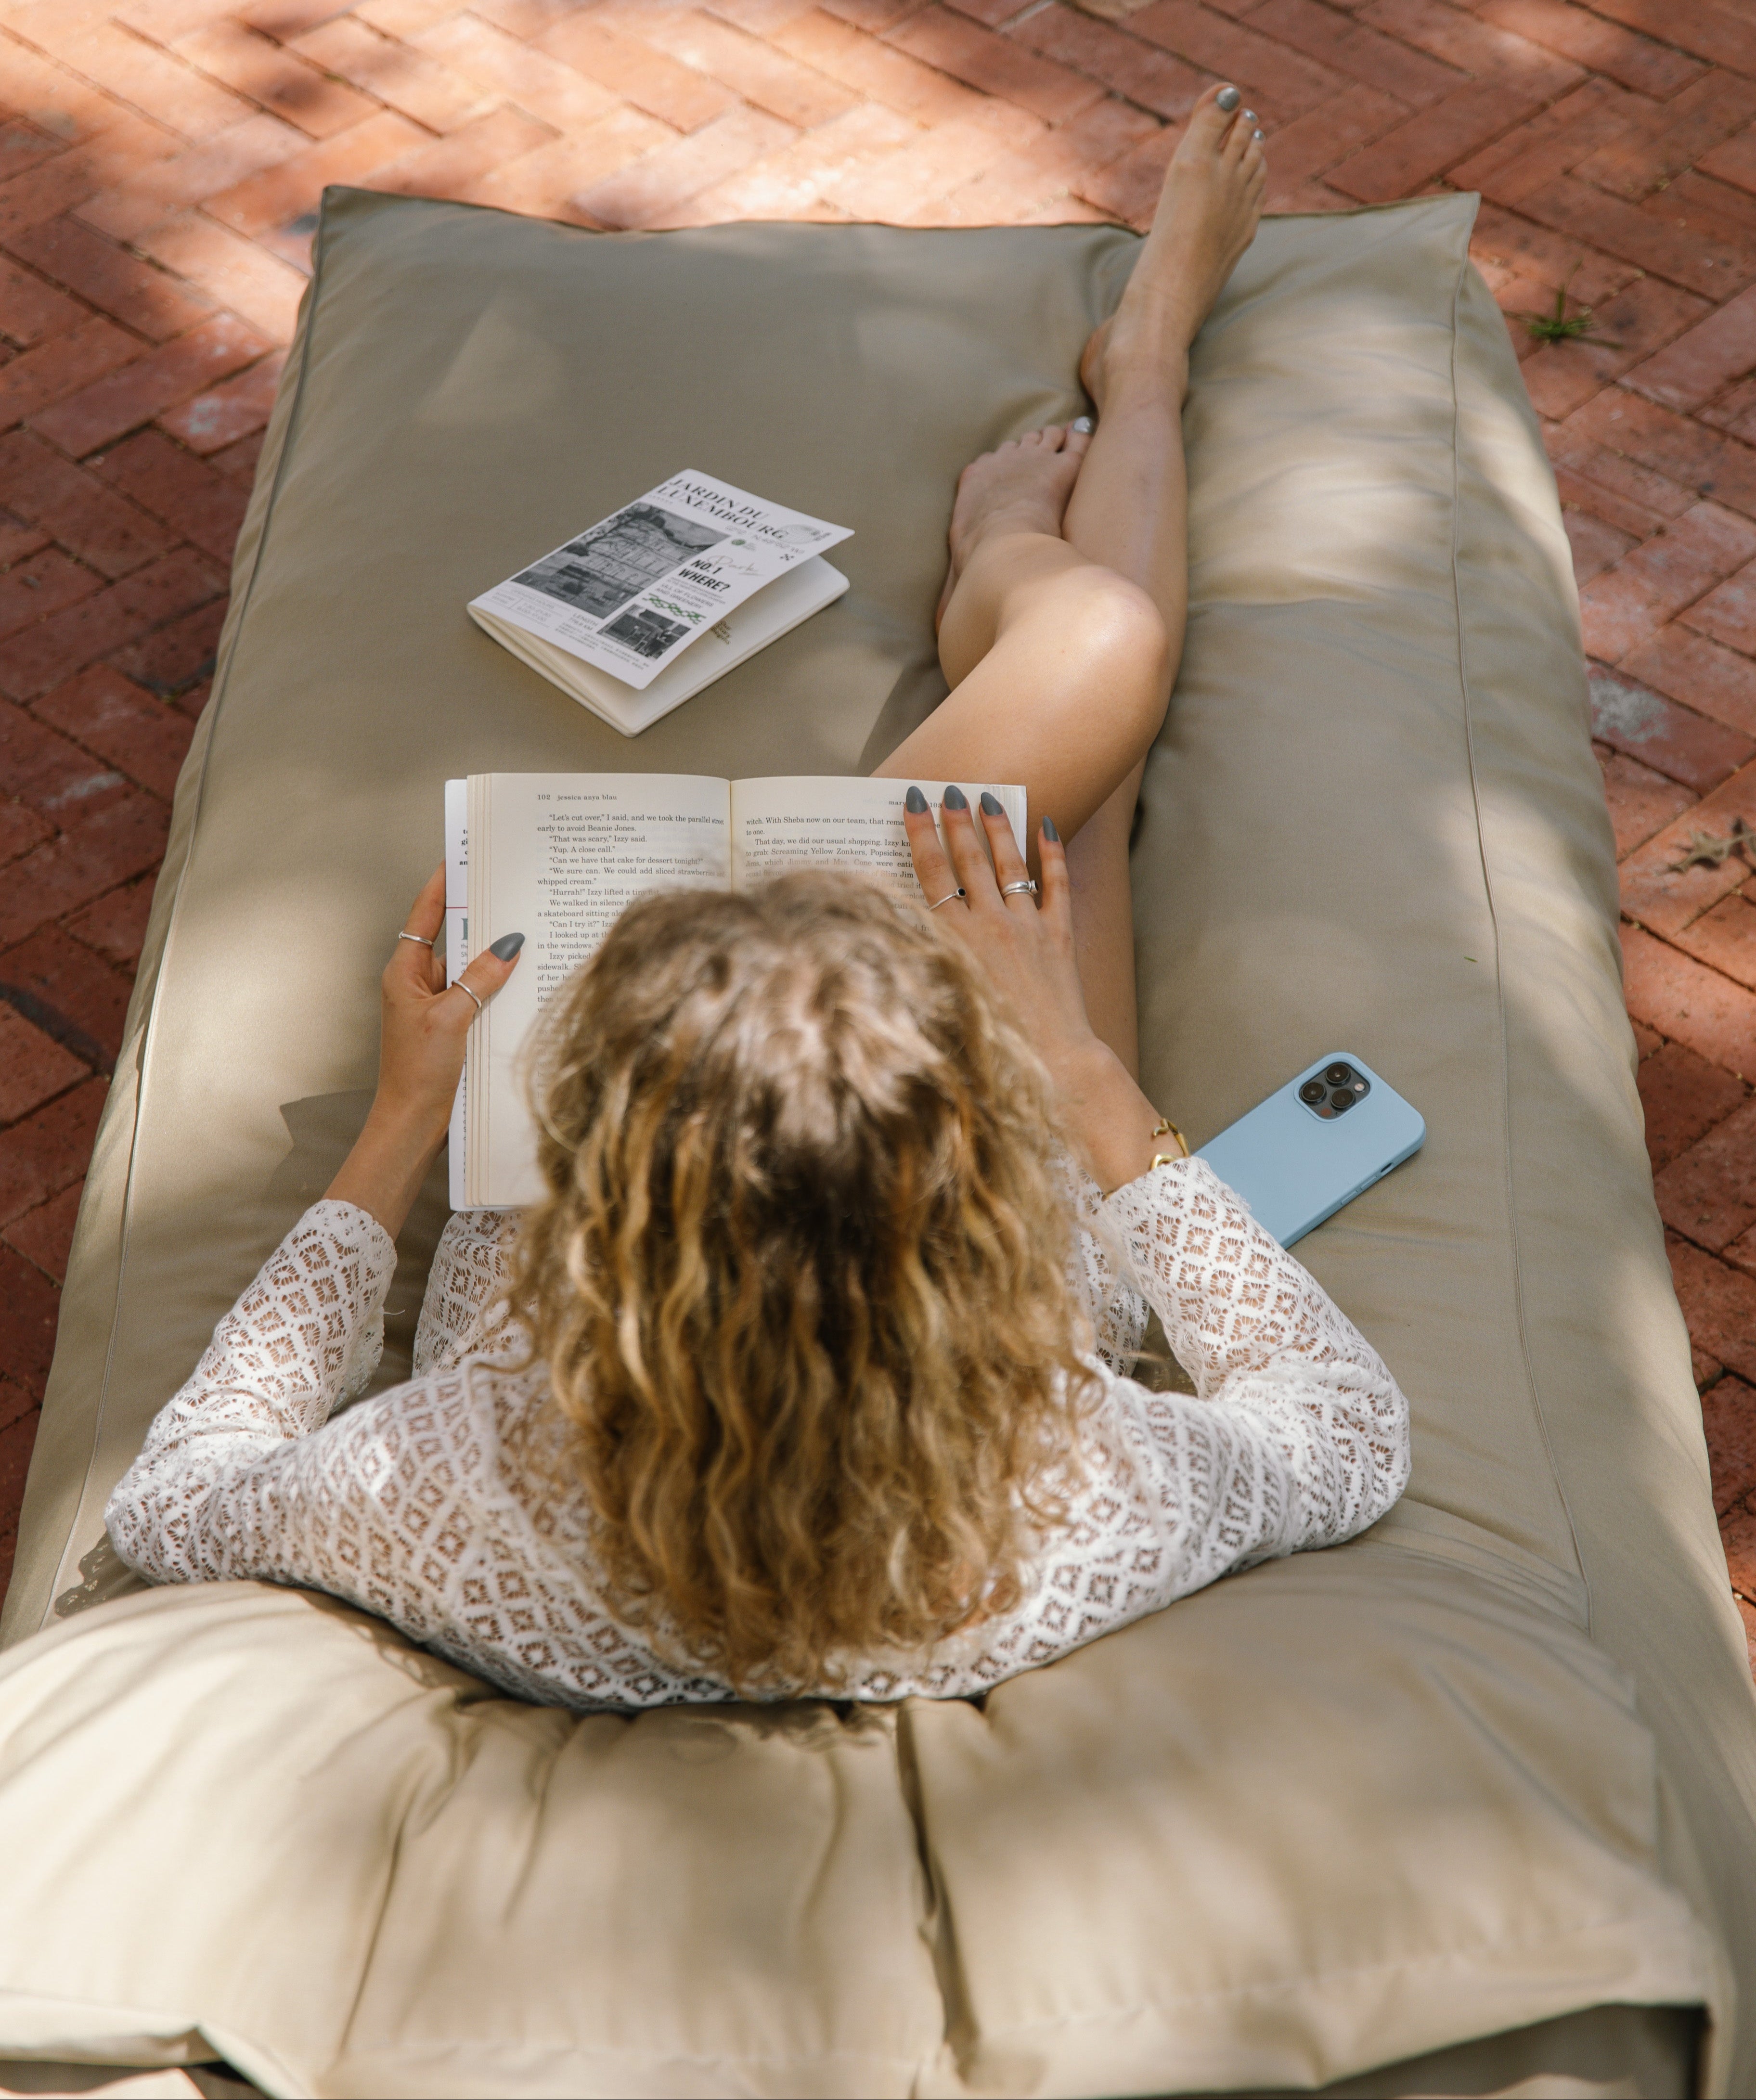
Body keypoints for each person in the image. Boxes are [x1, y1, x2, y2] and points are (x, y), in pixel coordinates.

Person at [107, 90, 1409, 1707]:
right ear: (968, 1180)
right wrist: (1069, 1052)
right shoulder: (1059, 1472)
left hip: (701, 1265)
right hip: (973, 1273)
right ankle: (1134, 387)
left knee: (1088, 697)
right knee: (1098, 701)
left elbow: (173, 1499)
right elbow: (1345, 1431)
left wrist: (396, 1127)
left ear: (599, 1170)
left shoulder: (458, 1477)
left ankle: (1092, 445)